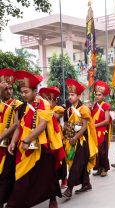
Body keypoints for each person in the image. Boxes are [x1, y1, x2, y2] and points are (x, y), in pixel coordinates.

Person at [6, 70, 65, 208]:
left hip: (42, 145)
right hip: (24, 147)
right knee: (22, 176)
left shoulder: (43, 104)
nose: (23, 95)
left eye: (26, 91)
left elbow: (42, 126)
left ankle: (52, 199)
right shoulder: (21, 108)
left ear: (34, 91)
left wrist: (27, 140)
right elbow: (18, 127)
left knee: (48, 176)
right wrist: (14, 142)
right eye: (22, 92)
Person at [62, 79, 98, 199]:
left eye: (72, 95)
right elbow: (67, 124)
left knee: (77, 164)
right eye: (69, 95)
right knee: (78, 164)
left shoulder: (84, 109)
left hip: (83, 141)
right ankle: (86, 184)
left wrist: (75, 138)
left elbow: (84, 127)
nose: (70, 97)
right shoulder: (68, 110)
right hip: (72, 140)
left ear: (79, 95)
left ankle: (69, 188)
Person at [0, 68, 23, 208]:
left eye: (10, 88)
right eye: (5, 89)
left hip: (9, 143)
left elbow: (16, 125)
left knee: (6, 174)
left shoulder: (17, 104)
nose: (9, 91)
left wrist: (2, 136)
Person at [39, 86, 68, 189]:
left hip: (58, 138)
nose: (48, 101)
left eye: (51, 99)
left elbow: (56, 115)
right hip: (46, 138)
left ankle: (64, 179)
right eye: (46, 98)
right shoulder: (42, 109)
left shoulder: (57, 109)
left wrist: (50, 105)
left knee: (61, 158)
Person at [91, 81, 112, 177]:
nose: (97, 96)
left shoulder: (105, 105)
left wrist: (95, 126)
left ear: (103, 96)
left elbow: (107, 121)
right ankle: (99, 168)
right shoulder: (94, 105)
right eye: (96, 95)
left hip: (102, 132)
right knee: (97, 152)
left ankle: (105, 168)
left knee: (103, 151)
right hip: (95, 132)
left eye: (99, 95)